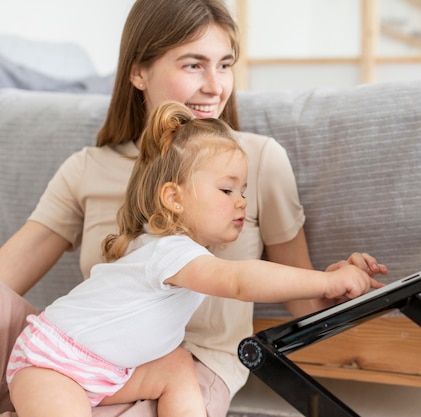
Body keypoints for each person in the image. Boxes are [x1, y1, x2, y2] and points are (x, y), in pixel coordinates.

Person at [0, 0, 388, 416]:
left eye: (224, 65)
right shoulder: (86, 168)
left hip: (183, 365)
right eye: (193, 65)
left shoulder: (257, 160)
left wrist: (334, 286)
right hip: (74, 351)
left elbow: (293, 301)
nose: (215, 86)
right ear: (138, 71)